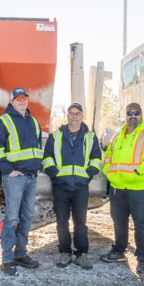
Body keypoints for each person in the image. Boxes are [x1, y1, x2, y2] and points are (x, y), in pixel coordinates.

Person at [100, 102, 144, 275]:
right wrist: (108, 172)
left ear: (141, 115)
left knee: (140, 223)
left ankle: (142, 258)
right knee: (119, 222)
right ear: (126, 116)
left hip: (139, 188)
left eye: (136, 113)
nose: (133, 116)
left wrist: (137, 171)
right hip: (118, 188)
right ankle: (119, 250)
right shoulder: (118, 136)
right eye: (130, 113)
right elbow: (109, 156)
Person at [42, 102, 102, 270]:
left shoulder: (90, 137)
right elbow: (47, 158)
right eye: (71, 113)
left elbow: (96, 159)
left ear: (82, 117)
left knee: (80, 222)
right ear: (67, 116)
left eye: (77, 114)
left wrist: (87, 175)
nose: (74, 117)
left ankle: (82, 254)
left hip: (80, 187)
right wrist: (55, 175)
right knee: (62, 222)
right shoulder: (56, 136)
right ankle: (65, 253)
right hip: (61, 186)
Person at [0, 87, 43, 276]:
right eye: (18, 98)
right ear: (11, 101)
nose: (22, 101)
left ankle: (21, 253)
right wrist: (9, 170)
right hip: (15, 178)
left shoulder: (33, 122)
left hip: (31, 177)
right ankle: (7, 258)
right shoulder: (4, 121)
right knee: (12, 218)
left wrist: (39, 165)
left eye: (24, 98)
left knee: (27, 217)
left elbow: (38, 147)